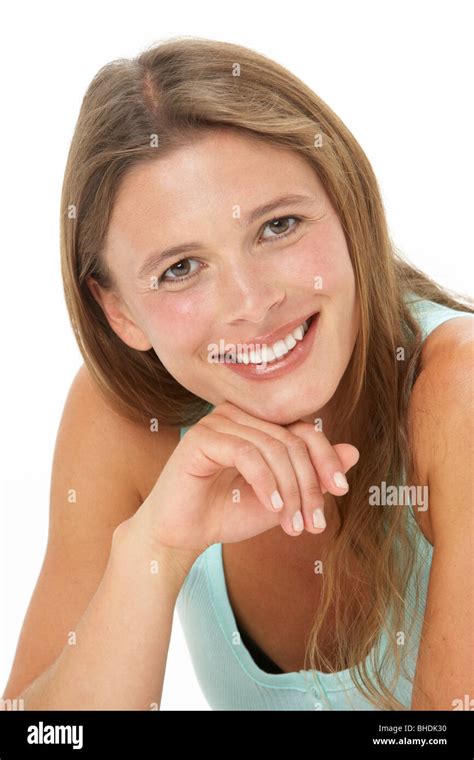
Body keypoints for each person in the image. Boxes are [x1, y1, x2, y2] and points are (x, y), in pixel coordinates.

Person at [2, 36, 473, 711]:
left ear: (348, 205)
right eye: (181, 269)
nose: (253, 306)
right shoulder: (128, 422)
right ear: (118, 311)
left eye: (278, 226)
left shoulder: (460, 395)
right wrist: (154, 551)